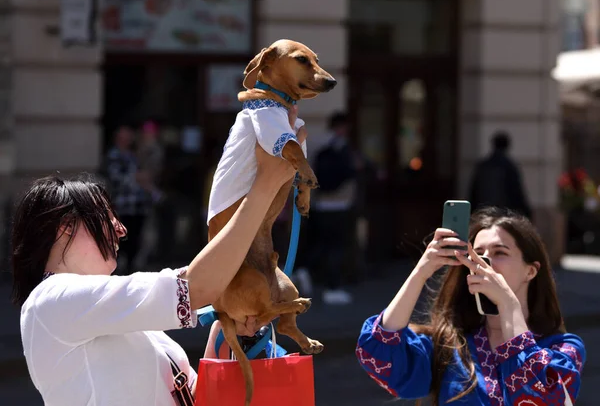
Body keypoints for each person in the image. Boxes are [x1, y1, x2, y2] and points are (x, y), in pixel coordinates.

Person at [12, 108, 305, 406]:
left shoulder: (112, 313)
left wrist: (226, 327)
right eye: (105, 217)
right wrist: (265, 186)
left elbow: (196, 396)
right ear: (64, 229)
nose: (121, 229)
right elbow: (196, 288)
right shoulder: (50, 301)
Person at [356, 207, 585, 406]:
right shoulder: (450, 346)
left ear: (531, 270)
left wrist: (508, 305)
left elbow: (543, 397)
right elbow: (377, 353)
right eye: (476, 254)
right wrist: (421, 272)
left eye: (499, 253)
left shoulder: (563, 348)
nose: (483, 262)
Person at [295, 111, 362, 305]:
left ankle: (303, 270)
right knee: (336, 247)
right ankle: (332, 287)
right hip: (339, 205)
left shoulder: (317, 143)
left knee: (320, 244)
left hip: (319, 204)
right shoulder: (343, 149)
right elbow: (351, 172)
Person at [101, 124, 151, 273]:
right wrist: (136, 178)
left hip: (137, 206)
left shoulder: (133, 155)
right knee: (120, 242)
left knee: (135, 242)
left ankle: (130, 269)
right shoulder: (113, 155)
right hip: (121, 207)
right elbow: (115, 179)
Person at [469, 131, 532, 219]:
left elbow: (473, 191)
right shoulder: (509, 166)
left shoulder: (483, 165)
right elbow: (517, 192)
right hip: (503, 212)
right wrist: (527, 213)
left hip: (484, 211)